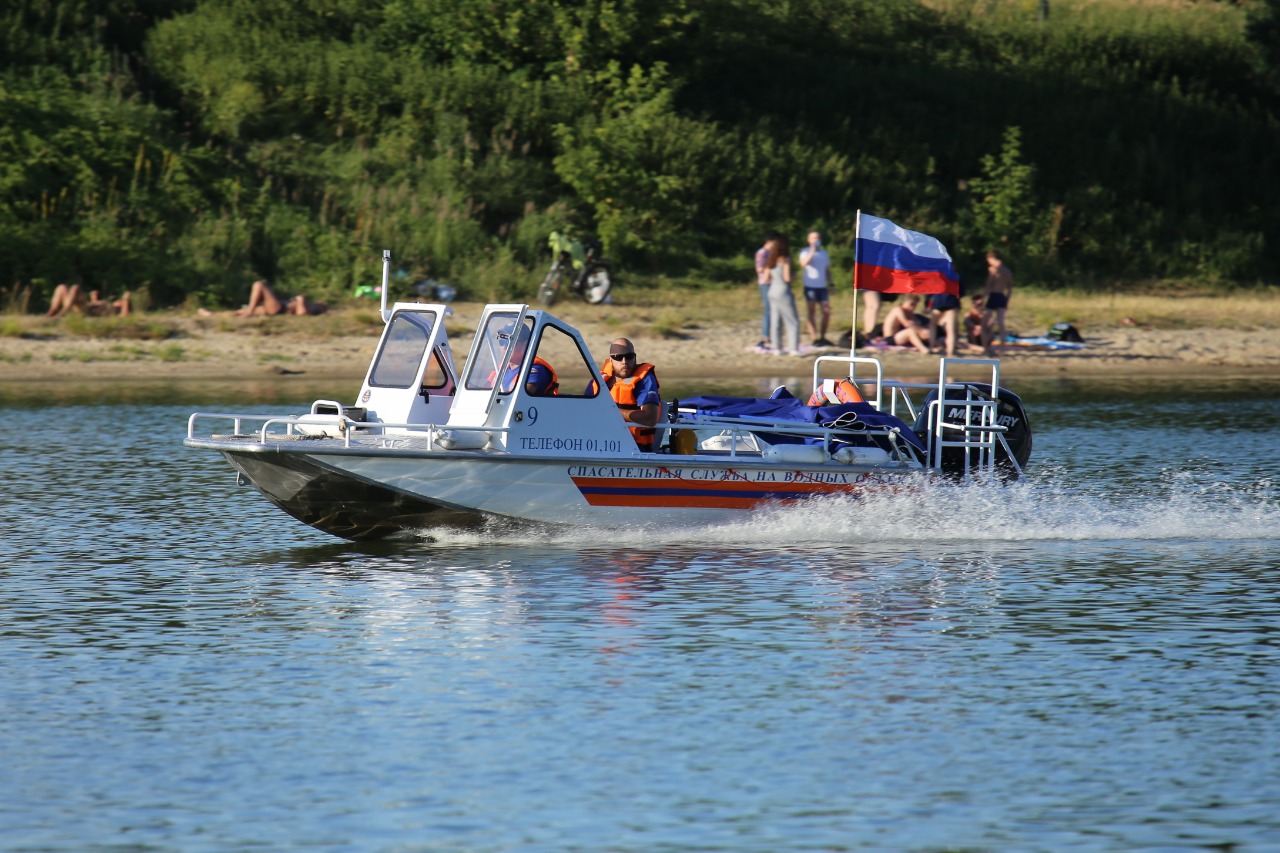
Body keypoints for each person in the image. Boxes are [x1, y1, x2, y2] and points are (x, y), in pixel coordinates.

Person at [598, 337, 661, 452]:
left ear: (635, 357)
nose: (624, 362)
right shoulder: (599, 380)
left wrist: (611, 411)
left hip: (634, 447)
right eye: (618, 357)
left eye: (629, 356)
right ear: (611, 360)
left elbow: (650, 418)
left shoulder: (645, 380)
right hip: (601, 442)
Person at [200, 279, 328, 317]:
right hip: (276, 307)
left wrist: (300, 300)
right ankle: (212, 315)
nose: (320, 302)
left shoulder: (313, 307)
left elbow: (302, 315)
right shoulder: (314, 305)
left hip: (281, 309)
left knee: (259, 285)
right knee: (239, 312)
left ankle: (250, 311)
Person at [763, 236, 801, 356]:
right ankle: (793, 348)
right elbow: (787, 278)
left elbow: (765, 278)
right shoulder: (785, 260)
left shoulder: (770, 260)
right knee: (792, 320)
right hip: (783, 290)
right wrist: (794, 275)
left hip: (772, 290)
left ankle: (777, 347)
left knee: (776, 320)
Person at [799, 230, 833, 346]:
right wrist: (812, 251)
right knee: (811, 311)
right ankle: (814, 338)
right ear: (809, 240)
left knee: (826, 311)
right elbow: (803, 264)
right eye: (813, 238)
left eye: (817, 238)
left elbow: (827, 270)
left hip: (822, 286)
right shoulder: (805, 252)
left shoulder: (824, 253)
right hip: (810, 286)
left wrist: (831, 284)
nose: (816, 240)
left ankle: (823, 337)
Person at [981, 250, 1013, 354]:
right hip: (1002, 296)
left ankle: (986, 348)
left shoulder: (994, 270)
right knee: (1001, 323)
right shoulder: (1007, 271)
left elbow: (988, 286)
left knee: (984, 323)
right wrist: (1006, 301)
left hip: (993, 296)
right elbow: (1009, 289)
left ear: (991, 259)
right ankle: (1002, 349)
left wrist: (983, 299)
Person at [753, 230, 779, 348]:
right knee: (768, 309)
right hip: (765, 283)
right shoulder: (762, 253)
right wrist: (771, 269)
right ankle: (765, 335)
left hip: (774, 283)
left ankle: (772, 335)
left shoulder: (773, 253)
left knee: (774, 310)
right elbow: (759, 269)